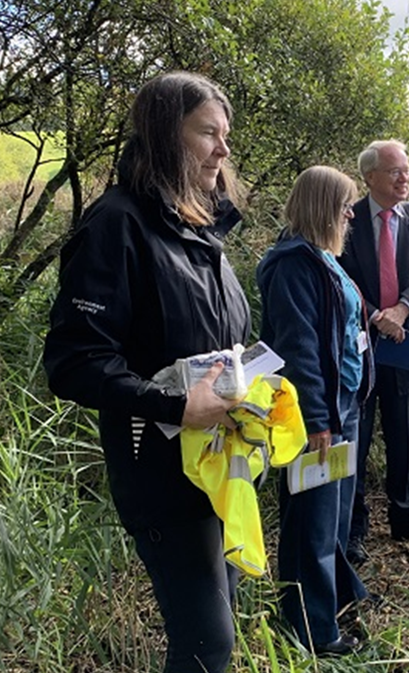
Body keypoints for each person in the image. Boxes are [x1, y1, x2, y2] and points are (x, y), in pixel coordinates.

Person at [44, 71, 250, 672]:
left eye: (225, 134)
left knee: (218, 630)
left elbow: (207, 340)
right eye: (208, 133)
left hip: (219, 465)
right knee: (206, 645)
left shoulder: (202, 230)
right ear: (166, 135)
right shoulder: (118, 224)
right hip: (161, 472)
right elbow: (74, 362)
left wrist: (252, 379)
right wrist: (174, 407)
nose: (223, 149)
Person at [256, 165, 372, 656]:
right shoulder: (292, 265)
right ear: (324, 206)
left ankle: (332, 605)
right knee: (312, 524)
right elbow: (299, 349)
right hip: (315, 417)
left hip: (343, 408)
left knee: (335, 519)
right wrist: (320, 420)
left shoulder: (323, 257)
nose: (351, 213)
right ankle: (311, 631)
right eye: (345, 204)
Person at [338, 139, 409, 561]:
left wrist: (400, 311)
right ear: (370, 177)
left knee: (403, 440)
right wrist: (375, 315)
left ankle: (407, 523)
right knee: (357, 442)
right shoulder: (349, 218)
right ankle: (353, 531)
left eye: (407, 169)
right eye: (395, 170)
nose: (406, 177)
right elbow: (339, 277)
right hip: (358, 347)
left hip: (403, 344)